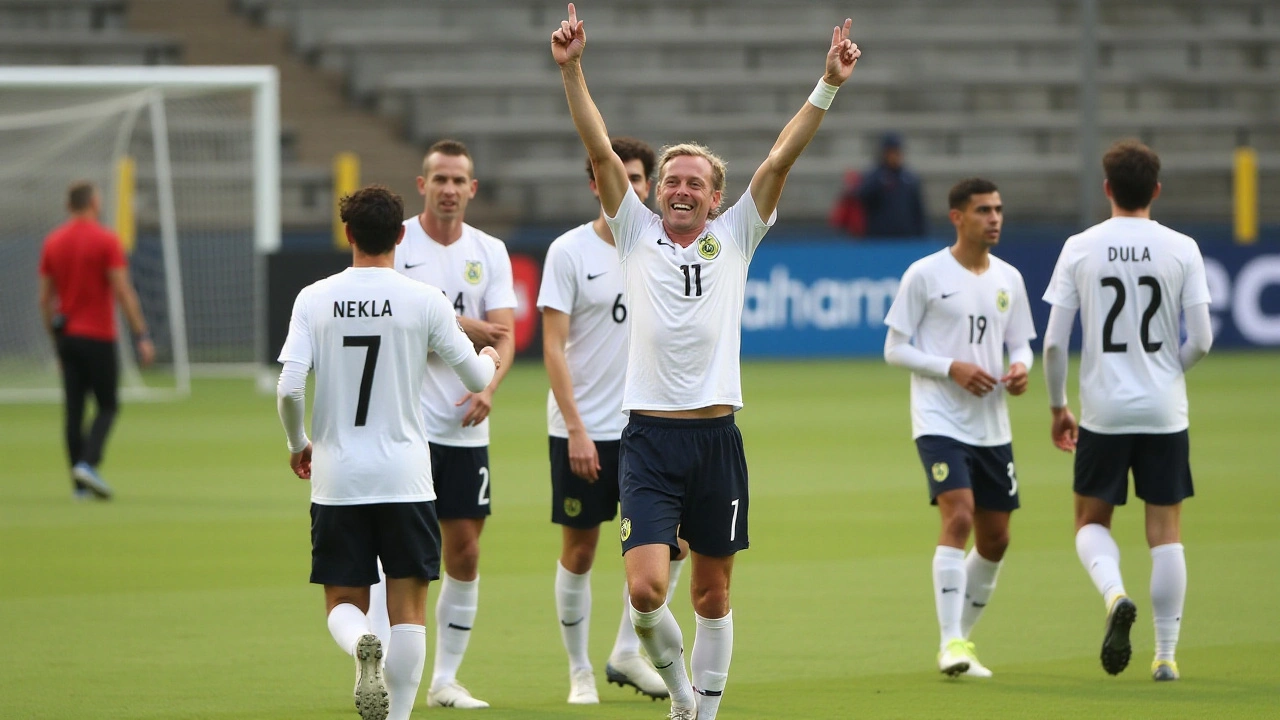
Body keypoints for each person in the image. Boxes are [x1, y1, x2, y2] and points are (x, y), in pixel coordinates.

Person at [552, 6, 860, 718]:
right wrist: (571, 68)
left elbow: (780, 158)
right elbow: (601, 153)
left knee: (713, 595)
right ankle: (684, 694)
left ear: (717, 197)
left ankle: (704, 713)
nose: (681, 190)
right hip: (649, 441)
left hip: (717, 438)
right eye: (671, 181)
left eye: (695, 183)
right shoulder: (633, 234)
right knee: (646, 589)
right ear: (653, 191)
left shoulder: (738, 236)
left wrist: (827, 85)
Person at [275, 185, 500, 720]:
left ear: (347, 234)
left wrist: (298, 443)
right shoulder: (425, 299)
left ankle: (359, 646)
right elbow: (473, 376)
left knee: (343, 604)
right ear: (400, 235)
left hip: (338, 475)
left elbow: (288, 387)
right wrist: (489, 355)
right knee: (410, 611)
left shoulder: (314, 297)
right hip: (406, 476)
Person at [1042, 140, 1213, 682]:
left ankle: (1115, 595)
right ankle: (1166, 657)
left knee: (1090, 521)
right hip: (1165, 412)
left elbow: (1052, 346)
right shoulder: (1182, 247)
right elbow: (1203, 340)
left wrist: (1057, 407)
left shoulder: (1080, 247)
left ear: (1107, 188)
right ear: (1156, 190)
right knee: (1166, 532)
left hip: (1104, 412)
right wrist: (1165, 374)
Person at [538, 136, 691, 705]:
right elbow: (553, 348)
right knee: (580, 550)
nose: (628, 186)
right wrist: (576, 427)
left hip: (648, 430)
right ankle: (579, 670)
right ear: (595, 182)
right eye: (616, 177)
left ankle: (627, 652)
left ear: (649, 184)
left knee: (673, 545)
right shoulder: (569, 253)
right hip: (582, 431)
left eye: (638, 178)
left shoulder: (661, 247)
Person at [882, 178, 1036, 678]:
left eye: (998, 209)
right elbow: (894, 349)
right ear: (957, 217)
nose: (994, 218)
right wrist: (952, 367)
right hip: (939, 420)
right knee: (960, 517)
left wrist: (1020, 369)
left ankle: (962, 639)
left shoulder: (1009, 278)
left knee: (997, 539)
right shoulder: (925, 274)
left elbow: (1021, 343)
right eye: (983, 210)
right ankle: (950, 642)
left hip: (992, 425)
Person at [389, 139, 517, 710]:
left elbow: (504, 333)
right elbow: (397, 319)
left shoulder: (489, 250)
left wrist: (487, 387)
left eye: (457, 180)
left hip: (465, 427)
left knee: (463, 552)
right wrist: (458, 323)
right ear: (422, 186)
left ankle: (444, 680)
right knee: (393, 554)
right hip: (405, 427)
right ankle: (385, 673)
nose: (447, 188)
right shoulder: (395, 243)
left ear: (472, 189)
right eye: (437, 178)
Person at [38, 180, 154, 500]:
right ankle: (87, 464)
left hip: (67, 337)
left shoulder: (53, 242)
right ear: (93, 203)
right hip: (99, 336)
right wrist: (141, 333)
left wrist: (55, 340)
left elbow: (45, 298)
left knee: (73, 410)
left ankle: (78, 486)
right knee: (107, 405)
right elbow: (122, 289)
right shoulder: (105, 240)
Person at [857, 132, 926, 238]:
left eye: (897, 152)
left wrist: (921, 234)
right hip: (879, 239)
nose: (895, 156)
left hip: (906, 238)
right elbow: (862, 198)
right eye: (892, 152)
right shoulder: (875, 176)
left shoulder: (909, 178)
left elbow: (917, 210)